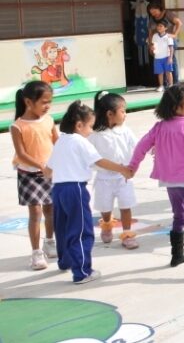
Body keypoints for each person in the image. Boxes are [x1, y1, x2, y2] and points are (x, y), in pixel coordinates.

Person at [128, 85, 184, 277]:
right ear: (177, 106)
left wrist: (133, 166)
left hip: (169, 182)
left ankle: (177, 255)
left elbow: (141, 146)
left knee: (178, 216)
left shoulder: (159, 127)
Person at [46, 101, 132, 284]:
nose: (91, 131)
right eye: (90, 126)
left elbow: (47, 169)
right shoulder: (80, 141)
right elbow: (100, 161)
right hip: (75, 189)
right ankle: (82, 272)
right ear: (79, 125)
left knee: (62, 228)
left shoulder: (61, 140)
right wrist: (122, 169)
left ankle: (65, 261)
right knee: (81, 230)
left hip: (58, 189)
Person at [11, 81, 58, 270]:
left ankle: (50, 242)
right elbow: (21, 154)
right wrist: (40, 165)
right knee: (35, 212)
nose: (47, 106)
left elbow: (57, 142)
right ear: (29, 102)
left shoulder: (49, 120)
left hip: (49, 173)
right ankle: (36, 252)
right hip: (29, 175)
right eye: (44, 102)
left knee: (50, 209)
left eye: (50, 102)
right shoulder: (17, 126)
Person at [90, 91, 139, 250]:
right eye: (123, 111)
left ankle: (127, 234)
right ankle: (107, 225)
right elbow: (90, 156)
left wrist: (151, 148)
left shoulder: (125, 130)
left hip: (123, 177)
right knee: (105, 207)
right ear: (110, 114)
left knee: (126, 205)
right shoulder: (96, 135)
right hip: (104, 178)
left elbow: (137, 145)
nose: (125, 114)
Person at [147, 1, 182, 85]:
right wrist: (150, 44)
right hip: (158, 42)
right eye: (151, 13)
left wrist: (174, 34)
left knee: (171, 60)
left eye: (154, 11)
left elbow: (179, 23)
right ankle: (165, 84)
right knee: (160, 62)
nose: (153, 14)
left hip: (168, 41)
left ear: (159, 9)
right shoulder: (152, 18)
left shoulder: (167, 14)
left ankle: (175, 83)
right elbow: (150, 32)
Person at [151, 20, 174, 92]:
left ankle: (171, 85)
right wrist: (152, 48)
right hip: (157, 57)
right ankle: (161, 86)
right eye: (158, 26)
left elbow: (171, 47)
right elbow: (153, 45)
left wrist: (170, 58)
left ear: (165, 28)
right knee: (160, 72)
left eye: (161, 26)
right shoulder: (154, 36)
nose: (159, 27)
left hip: (166, 56)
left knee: (168, 72)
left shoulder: (168, 36)